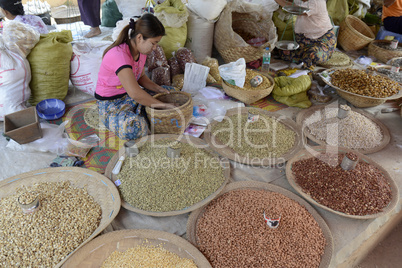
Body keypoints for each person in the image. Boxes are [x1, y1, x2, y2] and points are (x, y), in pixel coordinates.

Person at [95, 13, 176, 141]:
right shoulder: (119, 55)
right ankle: (143, 117)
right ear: (139, 37)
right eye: (153, 43)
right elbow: (135, 93)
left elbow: (140, 76)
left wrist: (159, 89)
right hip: (110, 105)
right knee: (135, 128)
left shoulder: (141, 51)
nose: (155, 48)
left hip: (128, 97)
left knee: (170, 92)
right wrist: (163, 106)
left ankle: (144, 113)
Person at [274, 0, 336, 70]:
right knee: (284, 52)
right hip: (304, 40)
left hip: (321, 39)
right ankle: (304, 57)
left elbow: (297, 9)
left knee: (313, 54)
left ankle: (307, 61)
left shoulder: (317, 2)